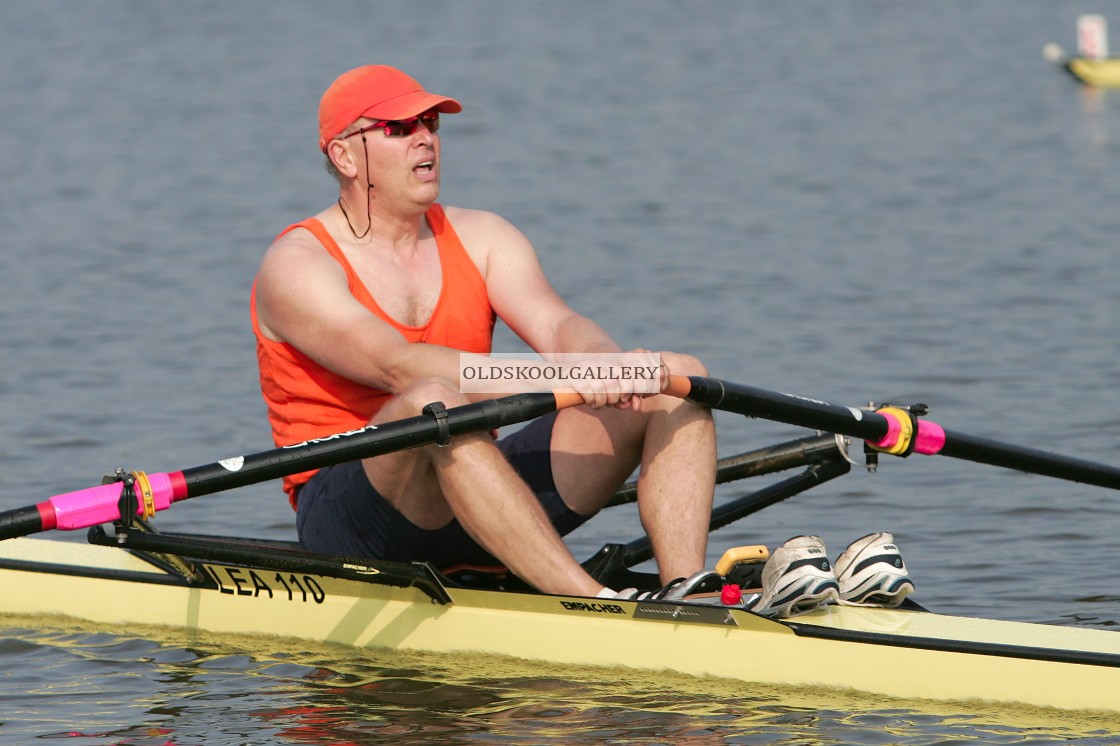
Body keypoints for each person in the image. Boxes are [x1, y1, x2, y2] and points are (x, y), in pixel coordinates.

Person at [250, 65, 717, 599]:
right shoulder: (297, 265)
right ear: (345, 156)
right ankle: (591, 603)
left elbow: (560, 325)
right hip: (355, 518)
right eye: (399, 129)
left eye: (430, 123)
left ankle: (691, 595)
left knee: (677, 378)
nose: (425, 138)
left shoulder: (484, 236)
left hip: (478, 489)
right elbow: (398, 364)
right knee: (431, 400)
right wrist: (571, 376)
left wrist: (604, 362)